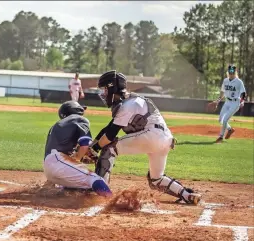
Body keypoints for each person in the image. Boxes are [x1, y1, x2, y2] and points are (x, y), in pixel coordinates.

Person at [87, 70, 201, 205]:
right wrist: (92, 146)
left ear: (113, 88)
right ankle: (188, 195)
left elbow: (110, 135)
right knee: (156, 179)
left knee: (109, 148)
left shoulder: (127, 105)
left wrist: (94, 148)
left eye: (105, 89)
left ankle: (100, 191)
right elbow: (108, 128)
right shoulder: (132, 101)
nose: (104, 93)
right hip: (164, 139)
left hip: (152, 136)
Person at [43, 101, 112, 197]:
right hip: (58, 163)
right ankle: (111, 202)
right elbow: (84, 145)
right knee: (95, 179)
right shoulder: (79, 119)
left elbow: (55, 154)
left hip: (49, 168)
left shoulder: (56, 126)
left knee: (84, 184)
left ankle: (63, 189)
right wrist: (77, 160)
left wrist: (49, 182)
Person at [211, 65, 246, 143]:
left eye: (232, 72)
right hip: (227, 102)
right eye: (230, 72)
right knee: (220, 120)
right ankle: (230, 129)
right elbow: (222, 92)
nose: (231, 73)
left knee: (225, 120)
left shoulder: (238, 82)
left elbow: (243, 93)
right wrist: (218, 101)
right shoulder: (225, 80)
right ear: (228, 72)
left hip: (235, 102)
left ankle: (221, 137)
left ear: (235, 72)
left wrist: (242, 101)